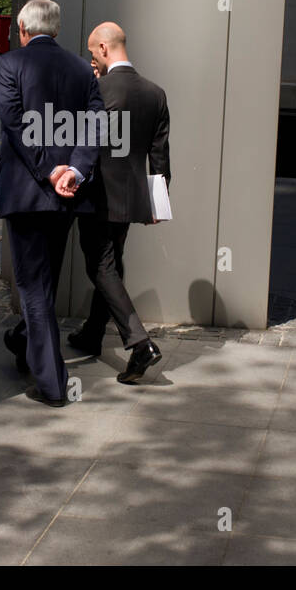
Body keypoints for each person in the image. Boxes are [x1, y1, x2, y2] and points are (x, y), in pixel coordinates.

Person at [0, 0, 103, 407]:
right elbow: (97, 123)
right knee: (44, 283)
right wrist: (72, 171)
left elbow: (17, 123)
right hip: (66, 197)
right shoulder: (82, 68)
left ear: (23, 30)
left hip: (27, 193)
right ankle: (22, 340)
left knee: (34, 288)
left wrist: (47, 171)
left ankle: (52, 384)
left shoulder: (10, 64)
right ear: (56, 30)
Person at [68, 22, 171, 384]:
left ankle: (140, 343)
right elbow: (160, 157)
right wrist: (157, 204)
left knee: (100, 264)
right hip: (131, 198)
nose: (91, 59)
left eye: (92, 52)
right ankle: (92, 333)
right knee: (112, 262)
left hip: (98, 194)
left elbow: (87, 145)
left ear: (104, 48)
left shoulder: (99, 89)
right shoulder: (155, 93)